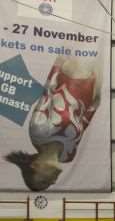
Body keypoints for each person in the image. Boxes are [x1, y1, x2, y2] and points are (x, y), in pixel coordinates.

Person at [5, 55, 101, 191]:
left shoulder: (38, 131)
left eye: (44, 181)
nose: (53, 182)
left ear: (35, 166)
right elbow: (84, 121)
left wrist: (61, 59)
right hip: (94, 84)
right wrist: (97, 96)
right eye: (49, 184)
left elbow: (48, 91)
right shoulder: (69, 156)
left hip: (74, 71)